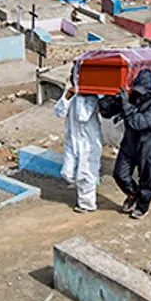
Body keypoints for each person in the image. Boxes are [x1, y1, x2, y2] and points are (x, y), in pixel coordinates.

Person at [113, 69, 151, 220]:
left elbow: (138, 123)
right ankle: (133, 194)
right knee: (119, 174)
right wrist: (114, 100)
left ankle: (142, 206)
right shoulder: (131, 98)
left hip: (147, 145)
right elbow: (108, 112)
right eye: (136, 90)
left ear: (149, 91)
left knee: (147, 178)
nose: (138, 94)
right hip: (129, 143)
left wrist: (126, 106)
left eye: (141, 91)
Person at [54, 83, 102, 213]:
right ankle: (83, 190)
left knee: (86, 174)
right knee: (67, 173)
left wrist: (82, 94)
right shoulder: (70, 91)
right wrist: (67, 97)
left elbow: (83, 115)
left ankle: (87, 205)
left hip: (88, 141)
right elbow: (58, 112)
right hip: (72, 139)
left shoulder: (93, 95)